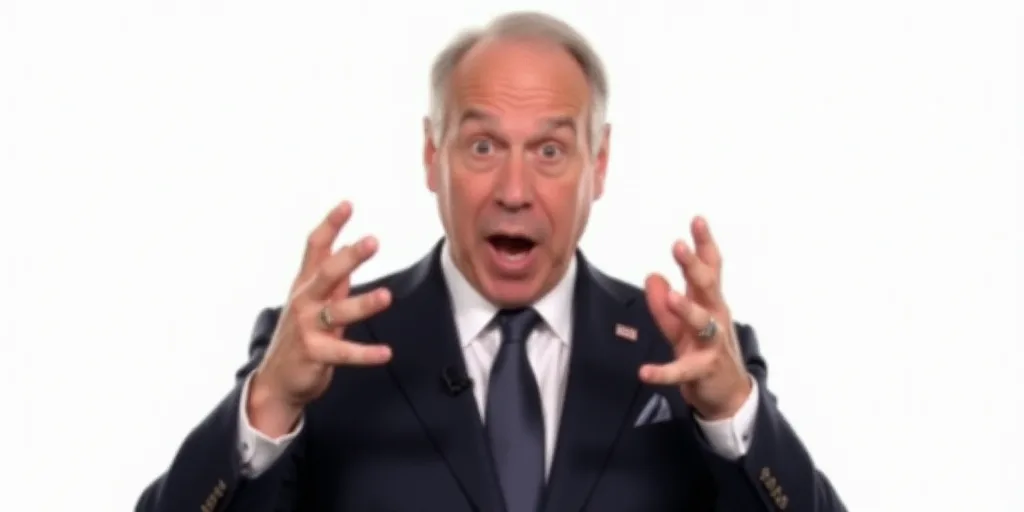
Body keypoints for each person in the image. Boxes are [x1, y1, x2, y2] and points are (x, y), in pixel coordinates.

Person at [136, 11, 846, 512]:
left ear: (597, 165)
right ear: (430, 156)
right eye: (481, 147)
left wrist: (732, 417)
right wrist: (268, 406)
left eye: (549, 151)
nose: (513, 190)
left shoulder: (688, 356)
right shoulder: (326, 353)